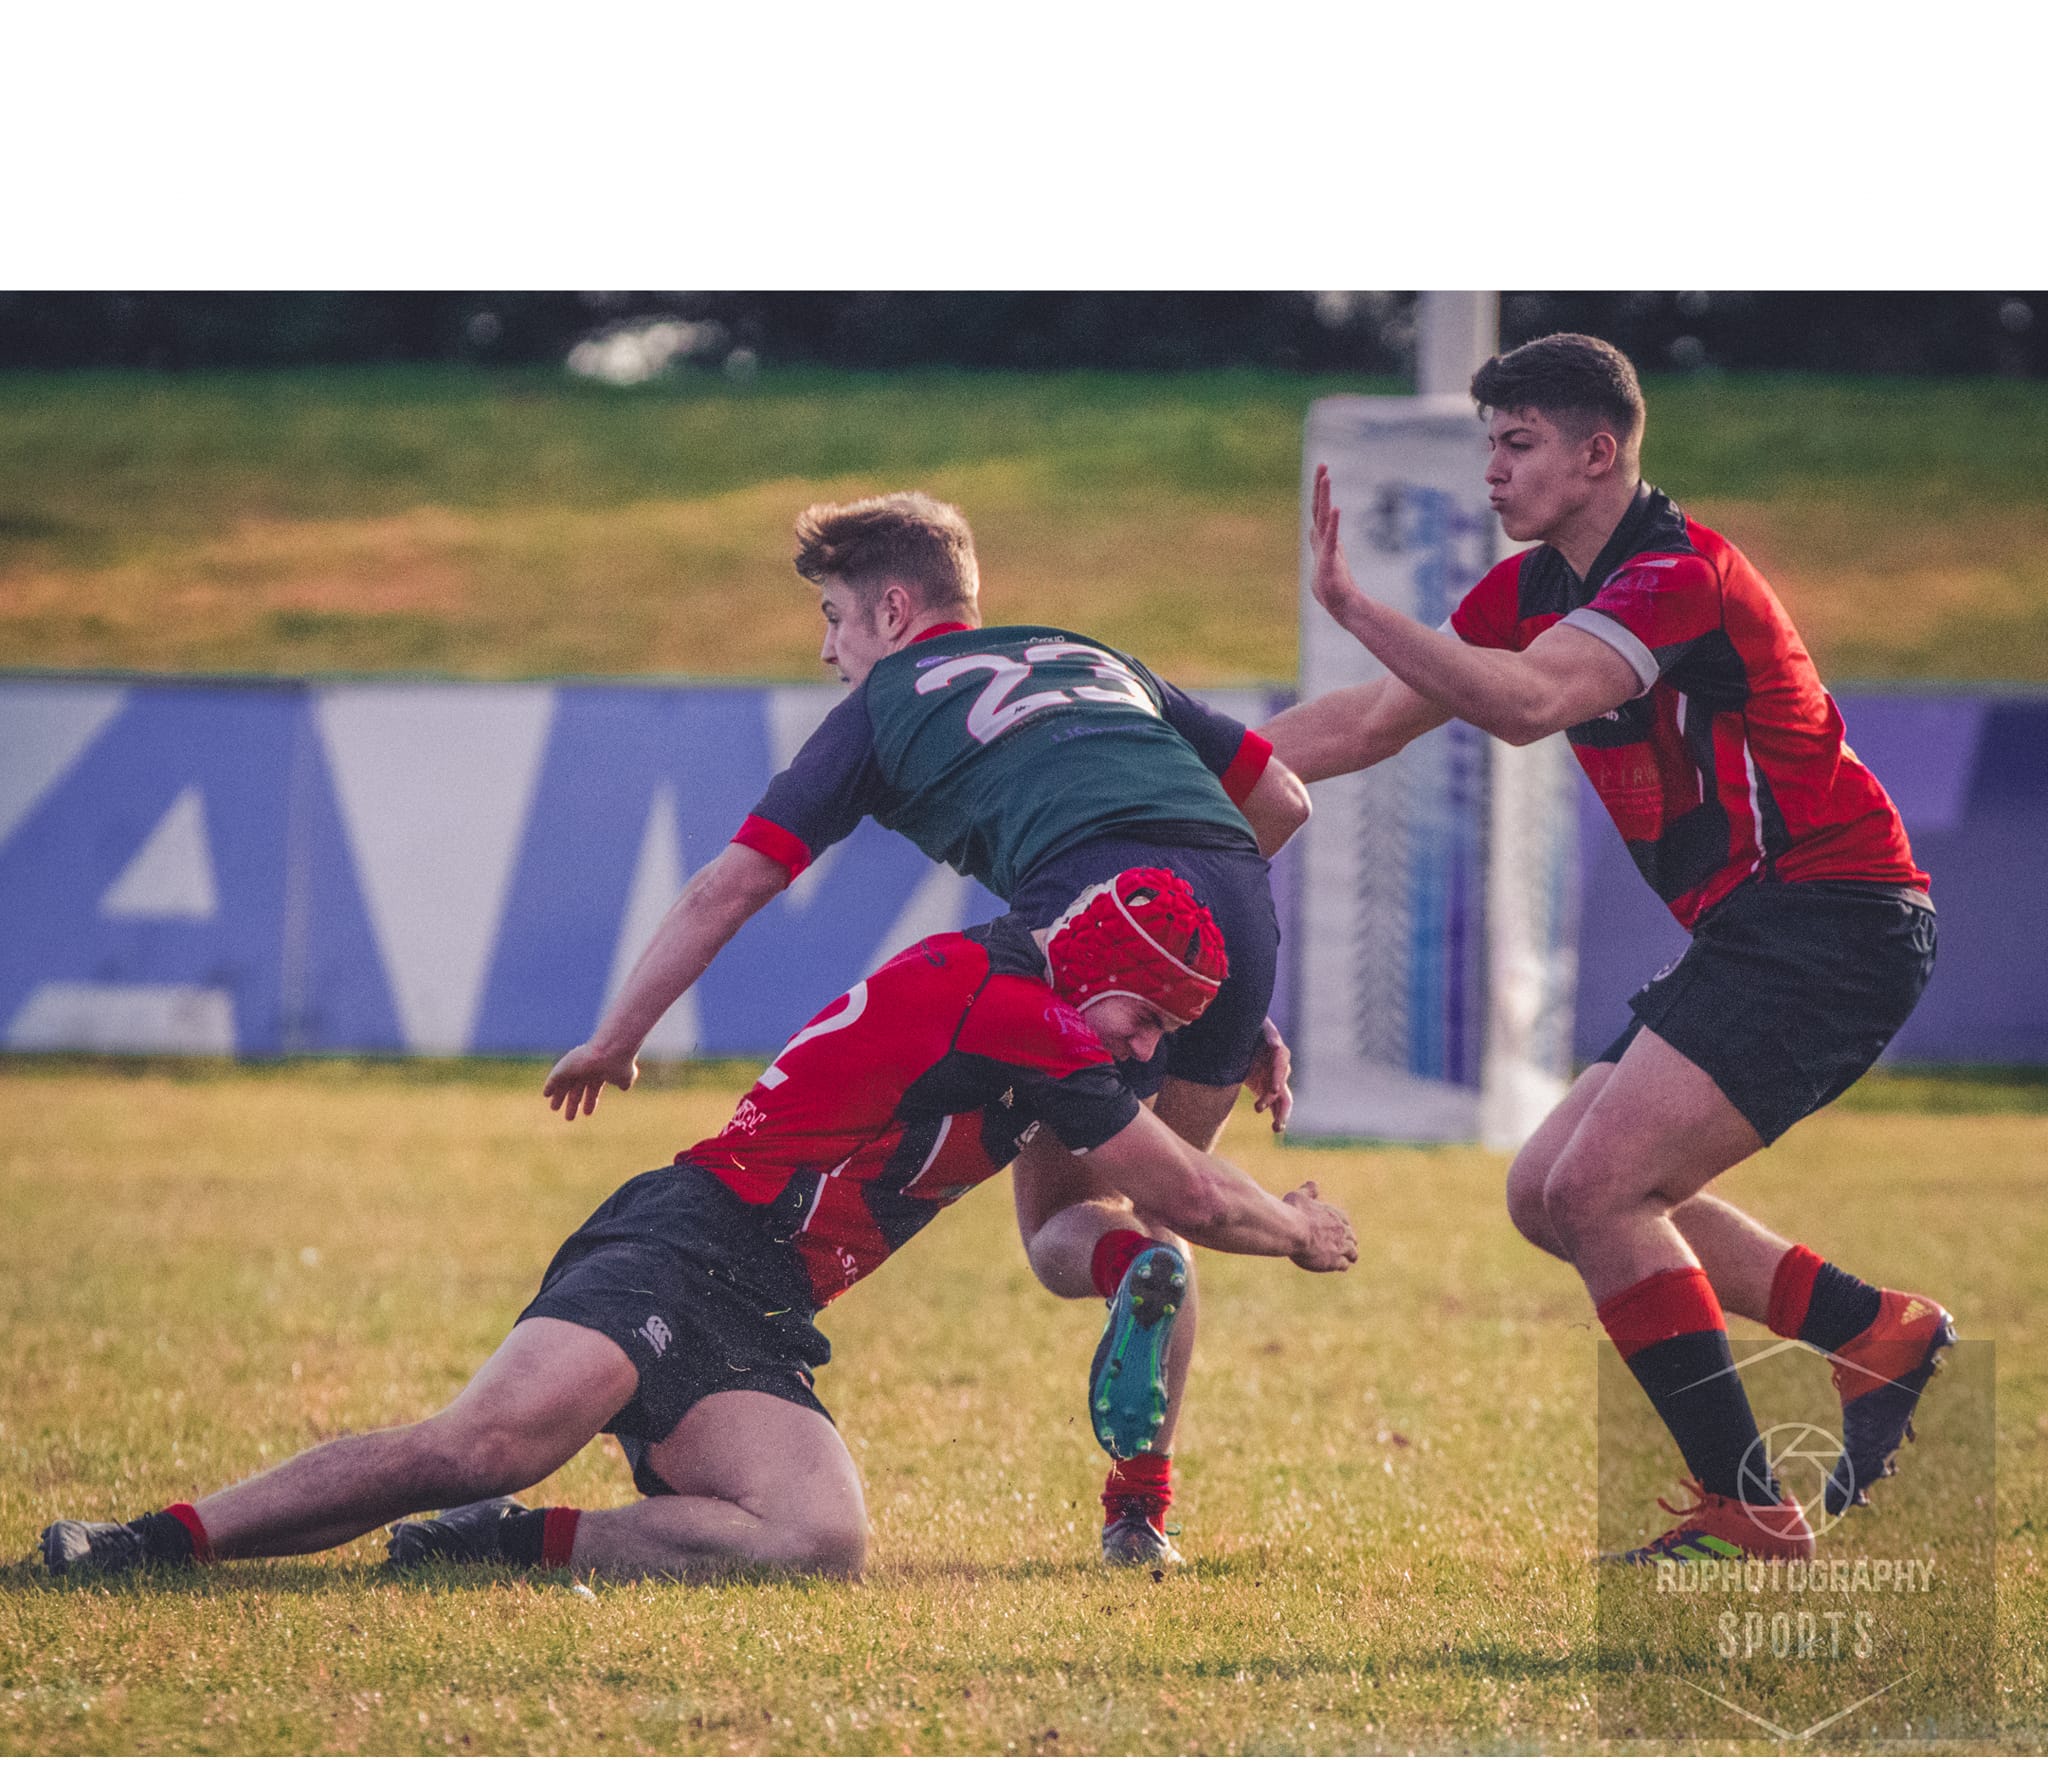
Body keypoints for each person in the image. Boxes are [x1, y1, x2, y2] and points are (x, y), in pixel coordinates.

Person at [42, 870, 1356, 1583]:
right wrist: (1297, 1229)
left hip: (762, 1305)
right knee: (487, 1441)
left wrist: (1233, 1032)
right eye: (1147, 1021)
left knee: (816, 1539)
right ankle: (150, 1542)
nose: (1147, 1052)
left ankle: (504, 1547)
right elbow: (1184, 1189)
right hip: (687, 1240)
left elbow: (1128, 1178)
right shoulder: (1018, 1013)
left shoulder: (1038, 994)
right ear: (1099, 977)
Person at [1262, 331, 1950, 1565]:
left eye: (1516, 443)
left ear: (1596, 454)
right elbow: (1366, 724)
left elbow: (1527, 705)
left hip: (1831, 917)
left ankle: (1747, 1505)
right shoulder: (1524, 591)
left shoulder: (1679, 573)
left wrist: (1357, 607)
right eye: (1488, 443)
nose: (1491, 469)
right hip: (1761, 928)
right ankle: (1870, 1331)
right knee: (1545, 1191)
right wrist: (1197, 768)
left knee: (1597, 1189)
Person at [542, 491, 1314, 1565]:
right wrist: (1194, 976)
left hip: (1090, 909)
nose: (827, 650)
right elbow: (1281, 797)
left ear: (894, 610)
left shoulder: (886, 699)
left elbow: (733, 883)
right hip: (1225, 920)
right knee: (1171, 1188)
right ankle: (1140, 1508)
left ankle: (1123, 1271)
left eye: (833, 617)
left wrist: (617, 1038)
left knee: (1073, 1219)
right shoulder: (1084, 652)